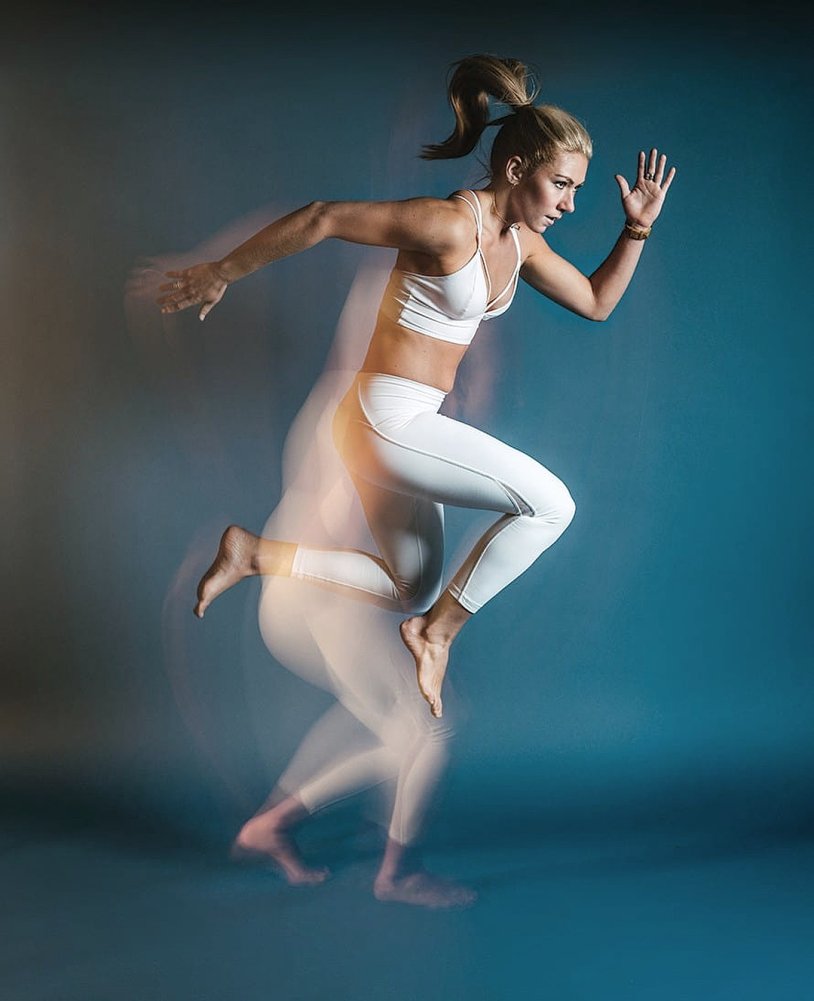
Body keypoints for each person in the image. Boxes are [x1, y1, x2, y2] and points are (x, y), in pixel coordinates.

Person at [157, 54, 674, 734]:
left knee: (412, 583)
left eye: (575, 188)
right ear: (516, 169)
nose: (571, 203)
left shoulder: (518, 245)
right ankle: (436, 636)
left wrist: (636, 228)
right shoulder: (448, 224)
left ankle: (254, 554)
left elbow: (598, 302)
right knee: (552, 504)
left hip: (399, 424)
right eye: (561, 184)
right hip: (383, 420)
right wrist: (223, 271)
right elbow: (322, 217)